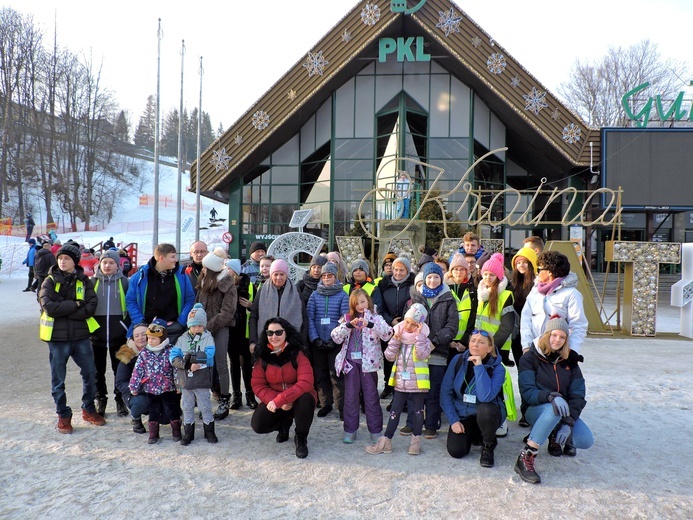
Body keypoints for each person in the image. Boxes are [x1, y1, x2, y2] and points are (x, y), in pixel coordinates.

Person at [515, 317, 593, 484]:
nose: (557, 340)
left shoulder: (570, 361)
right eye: (554, 335)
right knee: (553, 409)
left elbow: (578, 394)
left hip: (563, 412)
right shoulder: (530, 358)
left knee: (586, 440)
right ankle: (525, 457)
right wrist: (551, 396)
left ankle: (553, 431)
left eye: (562, 337)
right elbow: (528, 392)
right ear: (546, 335)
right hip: (535, 409)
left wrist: (568, 422)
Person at [39, 243, 105, 433]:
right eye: (60, 258)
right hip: (57, 340)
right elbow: (49, 307)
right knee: (58, 380)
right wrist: (76, 304)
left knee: (91, 375)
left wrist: (65, 309)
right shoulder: (49, 281)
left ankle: (88, 409)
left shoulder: (84, 281)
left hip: (81, 337)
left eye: (66, 258)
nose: (62, 261)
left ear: (75, 261)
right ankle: (63, 415)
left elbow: (91, 306)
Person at [366, 303, 431, 455]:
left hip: (418, 383)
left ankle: (415, 442)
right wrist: (395, 340)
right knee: (394, 412)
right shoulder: (399, 336)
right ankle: (386, 441)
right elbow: (389, 356)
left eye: (413, 324)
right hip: (401, 382)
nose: (408, 326)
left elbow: (422, 355)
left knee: (417, 412)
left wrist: (420, 337)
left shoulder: (424, 339)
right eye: (407, 321)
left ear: (420, 325)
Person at [403, 261, 458, 439]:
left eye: (436, 277)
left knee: (434, 390)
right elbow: (408, 323)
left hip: (437, 350)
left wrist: (434, 342)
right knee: (415, 389)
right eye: (429, 277)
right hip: (416, 351)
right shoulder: (417, 298)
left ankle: (431, 424)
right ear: (424, 279)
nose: (432, 280)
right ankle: (412, 422)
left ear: (441, 278)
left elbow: (452, 326)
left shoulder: (448, 298)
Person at [332, 288, 393, 443]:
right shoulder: (347, 318)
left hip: (369, 365)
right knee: (351, 397)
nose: (360, 305)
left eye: (363, 302)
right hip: (351, 364)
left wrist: (370, 324)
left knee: (371, 397)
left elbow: (387, 333)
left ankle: (376, 430)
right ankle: (350, 430)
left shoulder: (376, 318)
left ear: (368, 301)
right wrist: (348, 326)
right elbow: (335, 337)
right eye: (356, 303)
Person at [250, 318, 317, 458]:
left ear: (286, 333)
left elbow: (306, 381)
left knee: (306, 400)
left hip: (298, 397)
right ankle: (283, 425)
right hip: (275, 398)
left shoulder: (298, 353)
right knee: (258, 424)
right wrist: (276, 400)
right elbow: (257, 385)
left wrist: (282, 399)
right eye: (270, 333)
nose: (274, 336)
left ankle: (301, 437)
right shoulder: (262, 356)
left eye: (278, 332)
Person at [440, 329, 506, 467]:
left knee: (485, 409)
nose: (475, 344)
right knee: (456, 451)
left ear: (489, 348)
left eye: (481, 342)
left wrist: (479, 367)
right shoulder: (458, 360)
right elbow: (445, 393)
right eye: (473, 340)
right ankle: (475, 435)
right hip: (463, 414)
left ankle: (488, 445)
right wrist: (454, 421)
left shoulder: (498, 368)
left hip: (487, 413)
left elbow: (486, 396)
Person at [474, 252, 516, 437]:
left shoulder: (505, 294)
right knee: (482, 383)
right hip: (481, 347)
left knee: (497, 384)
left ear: (499, 276)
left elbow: (507, 326)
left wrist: (491, 347)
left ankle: (501, 420)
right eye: (485, 274)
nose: (488, 277)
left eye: (492, 274)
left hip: (496, 348)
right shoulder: (481, 292)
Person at [195, 247, 238, 420]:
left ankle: (224, 399)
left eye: (205, 268)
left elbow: (227, 312)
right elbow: (197, 304)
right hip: (202, 330)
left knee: (221, 364)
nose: (202, 270)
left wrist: (208, 327)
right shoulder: (204, 282)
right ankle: (204, 398)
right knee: (203, 364)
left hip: (220, 329)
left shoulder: (227, 285)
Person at [125, 243, 195, 345]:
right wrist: (140, 322)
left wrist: (181, 322)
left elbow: (189, 299)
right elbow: (131, 300)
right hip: (148, 331)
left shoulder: (182, 275)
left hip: (174, 331)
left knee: (173, 360)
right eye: (172, 257)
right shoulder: (141, 276)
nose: (176, 260)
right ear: (161, 258)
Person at [520, 251, 588, 355]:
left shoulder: (571, 294)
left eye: (539, 269)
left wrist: (572, 351)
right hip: (534, 350)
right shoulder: (535, 292)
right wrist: (526, 347)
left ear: (550, 272)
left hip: (559, 353)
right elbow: (526, 320)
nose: (537, 272)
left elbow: (578, 325)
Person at [170, 303, 218, 445]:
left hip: (202, 378)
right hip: (186, 379)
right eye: (194, 325)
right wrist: (186, 364)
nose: (197, 329)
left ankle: (209, 431)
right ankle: (188, 433)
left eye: (200, 326)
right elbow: (173, 357)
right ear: (189, 325)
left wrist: (192, 357)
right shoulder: (182, 339)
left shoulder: (208, 338)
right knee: (187, 406)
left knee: (205, 405)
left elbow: (209, 355)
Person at [307, 262, 350, 419]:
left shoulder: (342, 295)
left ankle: (341, 407)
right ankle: (326, 403)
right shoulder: (315, 295)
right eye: (324, 276)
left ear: (335, 276)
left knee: (336, 375)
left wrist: (335, 338)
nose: (326, 278)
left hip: (335, 342)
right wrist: (315, 338)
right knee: (321, 374)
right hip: (318, 341)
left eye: (329, 276)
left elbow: (344, 319)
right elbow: (310, 317)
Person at [129, 319, 182, 445]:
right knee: (153, 410)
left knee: (172, 409)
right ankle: (153, 433)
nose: (150, 341)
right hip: (151, 388)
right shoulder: (144, 353)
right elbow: (138, 370)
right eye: (149, 338)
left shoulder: (171, 351)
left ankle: (176, 430)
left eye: (153, 338)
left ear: (162, 338)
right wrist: (134, 386)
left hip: (168, 387)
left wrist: (179, 384)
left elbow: (177, 369)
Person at [91, 249, 130, 417]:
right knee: (96, 371)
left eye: (111, 262)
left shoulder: (125, 283)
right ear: (99, 263)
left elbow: (132, 306)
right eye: (104, 262)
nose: (107, 265)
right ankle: (101, 399)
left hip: (121, 337)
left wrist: (127, 328)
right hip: (95, 337)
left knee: (121, 369)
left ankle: (120, 399)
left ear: (117, 265)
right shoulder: (92, 282)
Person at [376, 255, 416, 399]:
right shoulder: (384, 284)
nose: (398, 273)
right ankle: (388, 385)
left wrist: (405, 323)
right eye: (396, 270)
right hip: (389, 328)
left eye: (402, 270)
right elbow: (379, 307)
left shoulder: (412, 285)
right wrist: (391, 321)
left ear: (407, 271)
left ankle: (402, 390)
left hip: (408, 328)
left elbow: (414, 305)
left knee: (405, 359)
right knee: (389, 358)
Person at [249, 259, 307, 350]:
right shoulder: (263, 290)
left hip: (291, 343)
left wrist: (302, 341)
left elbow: (304, 317)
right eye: (275, 274)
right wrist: (253, 341)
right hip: (266, 341)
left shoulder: (296, 291)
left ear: (286, 275)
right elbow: (254, 316)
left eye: (282, 274)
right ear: (271, 275)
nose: (278, 278)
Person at [225, 258, 257, 410]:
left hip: (245, 331)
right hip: (230, 331)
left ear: (235, 271)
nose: (226, 271)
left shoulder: (250, 285)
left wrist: (251, 306)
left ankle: (250, 395)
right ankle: (236, 396)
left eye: (228, 269)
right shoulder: (224, 286)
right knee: (233, 364)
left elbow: (257, 309)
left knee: (246, 364)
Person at [115, 323, 151, 434]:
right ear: (133, 338)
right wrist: (135, 388)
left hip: (156, 389)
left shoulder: (159, 350)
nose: (140, 338)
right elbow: (120, 382)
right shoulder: (127, 354)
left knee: (167, 413)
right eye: (137, 336)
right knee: (140, 402)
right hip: (135, 392)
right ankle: (136, 418)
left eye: (143, 334)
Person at [510, 246, 538, 367]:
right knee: (521, 366)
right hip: (517, 333)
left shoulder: (538, 284)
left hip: (533, 330)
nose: (521, 265)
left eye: (525, 262)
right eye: (518, 263)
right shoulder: (513, 283)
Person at [446, 252, 477, 351]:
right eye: (455, 269)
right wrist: (448, 340)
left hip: (465, 341)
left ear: (466, 271)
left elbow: (473, 316)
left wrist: (464, 341)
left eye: (462, 269)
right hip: (447, 340)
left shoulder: (472, 290)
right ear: (451, 271)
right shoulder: (445, 289)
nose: (458, 272)